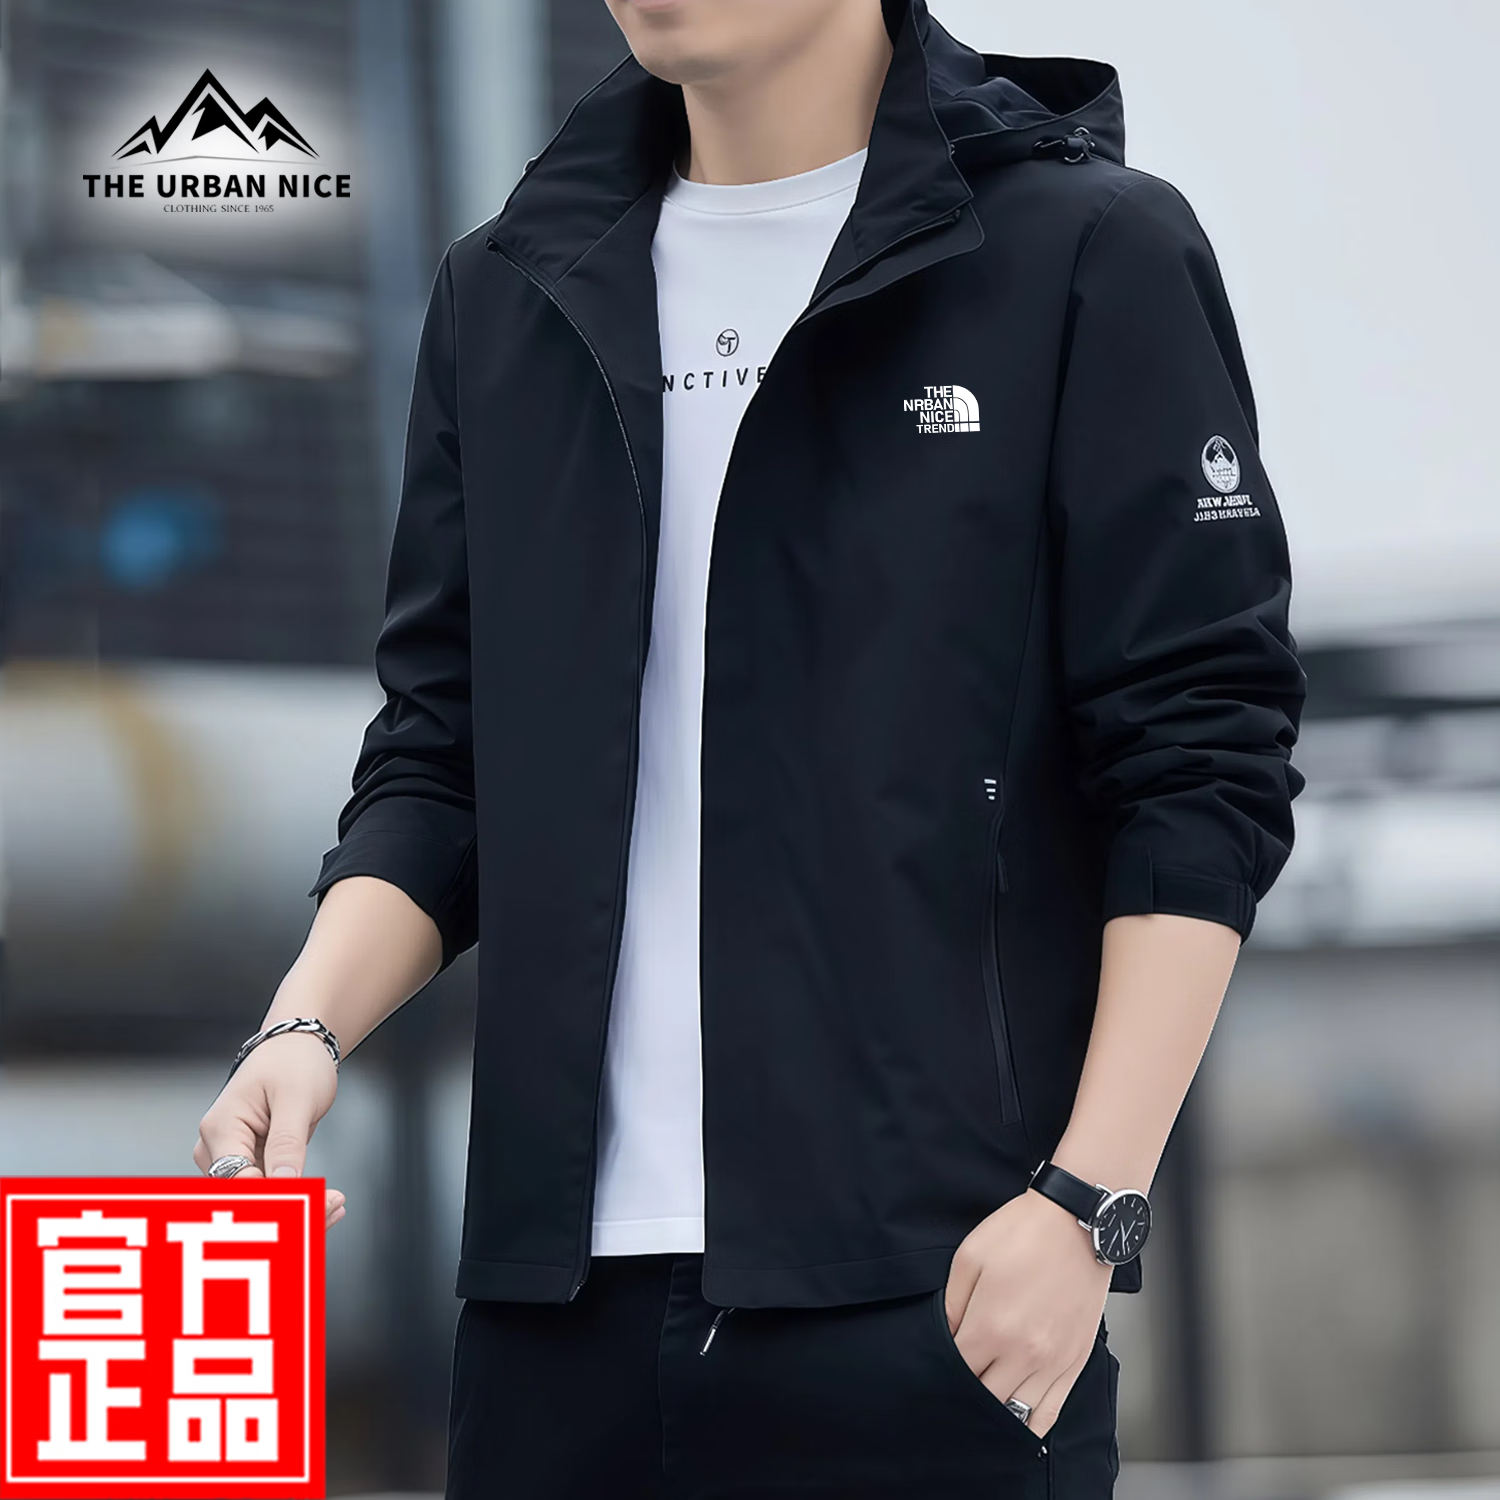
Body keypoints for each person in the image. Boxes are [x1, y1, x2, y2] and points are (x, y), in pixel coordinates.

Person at [193, 0, 1306, 1494]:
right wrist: (302, 1027)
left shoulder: (1084, 254)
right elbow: (441, 749)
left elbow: (1200, 762)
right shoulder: (507, 289)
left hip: (936, 1289)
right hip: (548, 1317)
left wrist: (1088, 1201)